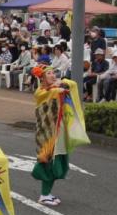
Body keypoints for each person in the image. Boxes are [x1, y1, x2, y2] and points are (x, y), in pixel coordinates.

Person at [32, 64, 90, 206]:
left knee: (57, 160)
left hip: (59, 131)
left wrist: (62, 83)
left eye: (53, 73)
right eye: (49, 74)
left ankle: (47, 193)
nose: (53, 75)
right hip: (48, 134)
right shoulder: (40, 92)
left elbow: (72, 84)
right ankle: (44, 195)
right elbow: (54, 92)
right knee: (48, 161)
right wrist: (59, 87)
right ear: (42, 78)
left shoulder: (55, 87)